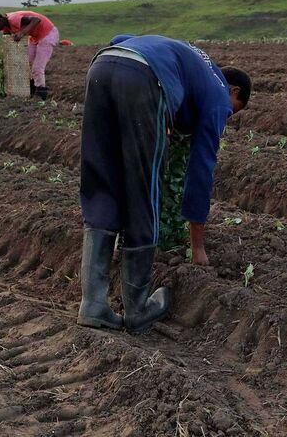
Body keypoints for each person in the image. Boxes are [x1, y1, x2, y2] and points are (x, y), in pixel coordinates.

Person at [77, 34, 251, 333]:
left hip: (103, 65)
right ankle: (138, 307)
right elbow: (202, 169)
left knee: (101, 180)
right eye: (235, 110)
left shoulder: (195, 62)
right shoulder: (219, 95)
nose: (228, 116)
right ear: (233, 90)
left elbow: (121, 38)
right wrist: (198, 247)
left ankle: (93, 305)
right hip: (144, 79)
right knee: (144, 188)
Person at [0, 8, 60, 99]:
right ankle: (31, 91)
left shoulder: (13, 19)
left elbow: (36, 20)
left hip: (48, 34)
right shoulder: (5, 26)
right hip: (35, 37)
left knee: (37, 68)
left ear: (0, 20)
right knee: (27, 63)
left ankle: (41, 93)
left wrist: (22, 32)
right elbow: (8, 41)